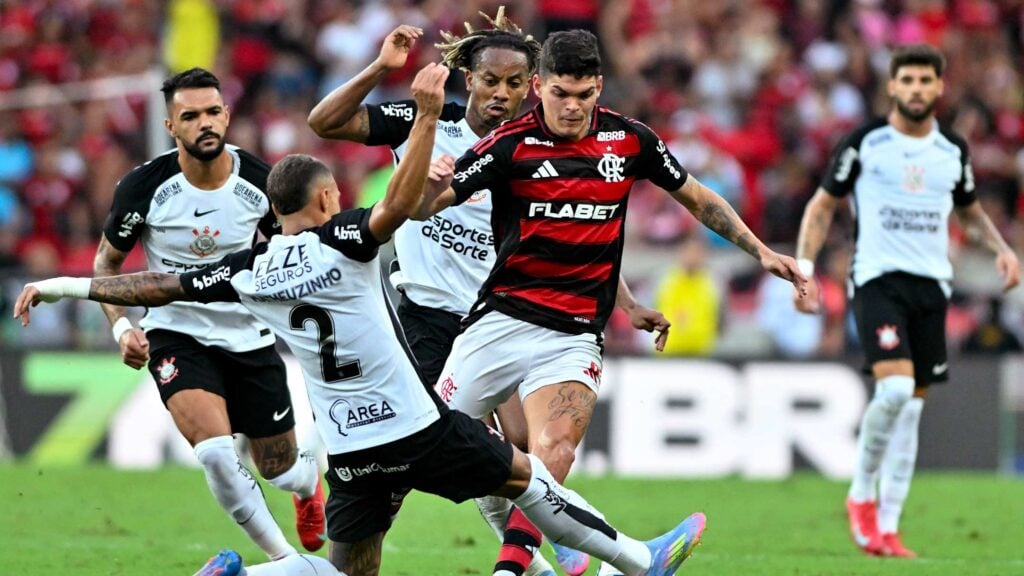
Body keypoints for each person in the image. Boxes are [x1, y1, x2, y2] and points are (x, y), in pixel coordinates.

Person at [14, 62, 706, 576]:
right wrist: (427, 116)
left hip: (348, 450)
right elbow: (402, 205)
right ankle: (638, 560)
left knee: (347, 569)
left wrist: (62, 287)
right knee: (528, 477)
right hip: (416, 427)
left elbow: (161, 284)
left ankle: (247, 574)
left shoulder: (250, 271)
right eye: (334, 193)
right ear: (324, 200)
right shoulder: (346, 241)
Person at [414, 29, 805, 576]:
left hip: (574, 332)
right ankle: (633, 559)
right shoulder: (508, 145)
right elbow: (423, 207)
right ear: (539, 88)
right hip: (500, 321)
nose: (572, 107)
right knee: (435, 449)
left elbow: (696, 197)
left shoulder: (629, 141)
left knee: (554, 450)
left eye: (584, 94)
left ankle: (515, 569)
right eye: (560, 94)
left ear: (598, 86)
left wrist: (759, 250)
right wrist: (427, 181)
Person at [307, 13, 667, 576]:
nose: (501, 93)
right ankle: (565, 552)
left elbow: (574, 235)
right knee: (423, 461)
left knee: (521, 451)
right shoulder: (425, 122)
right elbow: (325, 122)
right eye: (490, 80)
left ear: (532, 86)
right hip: (429, 320)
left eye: (514, 83)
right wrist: (380, 67)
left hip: (507, 318)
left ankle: (546, 555)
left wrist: (625, 301)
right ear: (468, 78)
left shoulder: (534, 147)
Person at [792, 44, 1021, 558]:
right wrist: (804, 270)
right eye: (908, 80)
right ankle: (860, 496)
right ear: (892, 86)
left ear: (939, 87)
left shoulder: (952, 150)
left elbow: (969, 213)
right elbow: (821, 206)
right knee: (894, 391)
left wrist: (1002, 249)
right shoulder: (865, 143)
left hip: (932, 286)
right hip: (878, 279)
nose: (917, 89)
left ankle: (890, 528)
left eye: (925, 80)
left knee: (912, 410)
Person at [92, 67, 325, 558]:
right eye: (190, 116)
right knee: (217, 454)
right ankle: (287, 562)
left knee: (280, 469)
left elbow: (297, 251)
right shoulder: (143, 187)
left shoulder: (262, 182)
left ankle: (308, 487)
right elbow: (106, 266)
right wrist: (121, 329)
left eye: (213, 112)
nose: (205, 123)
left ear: (227, 115)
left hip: (249, 336)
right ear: (170, 126)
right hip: (176, 334)